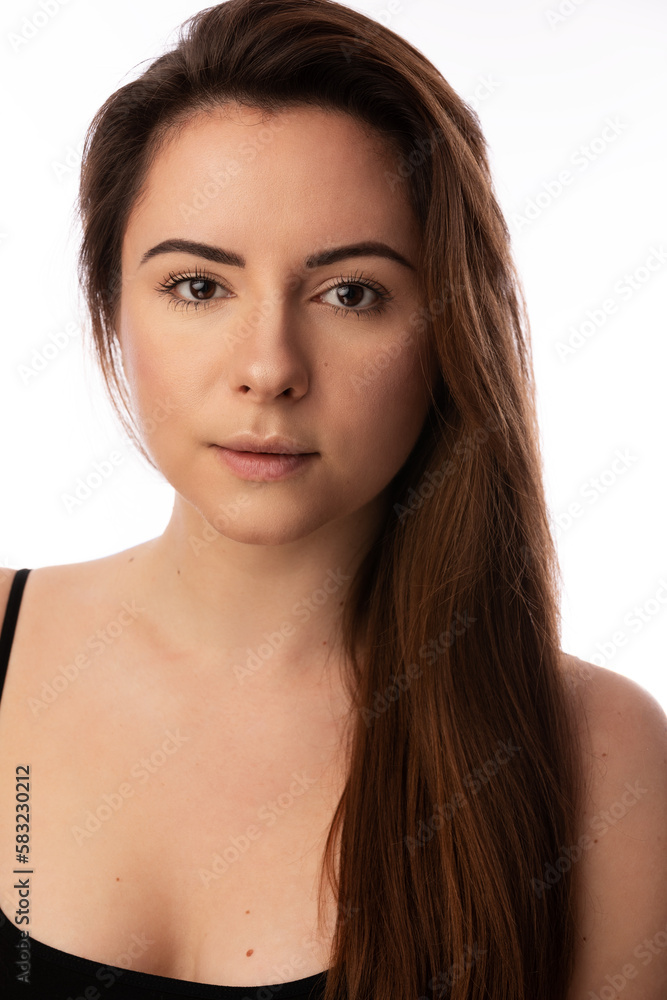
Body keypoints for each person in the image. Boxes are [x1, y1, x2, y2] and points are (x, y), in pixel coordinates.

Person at [1, 1, 665, 998]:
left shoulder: (598, 757)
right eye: (197, 286)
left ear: (447, 326)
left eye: (350, 292)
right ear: (109, 304)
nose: (268, 368)